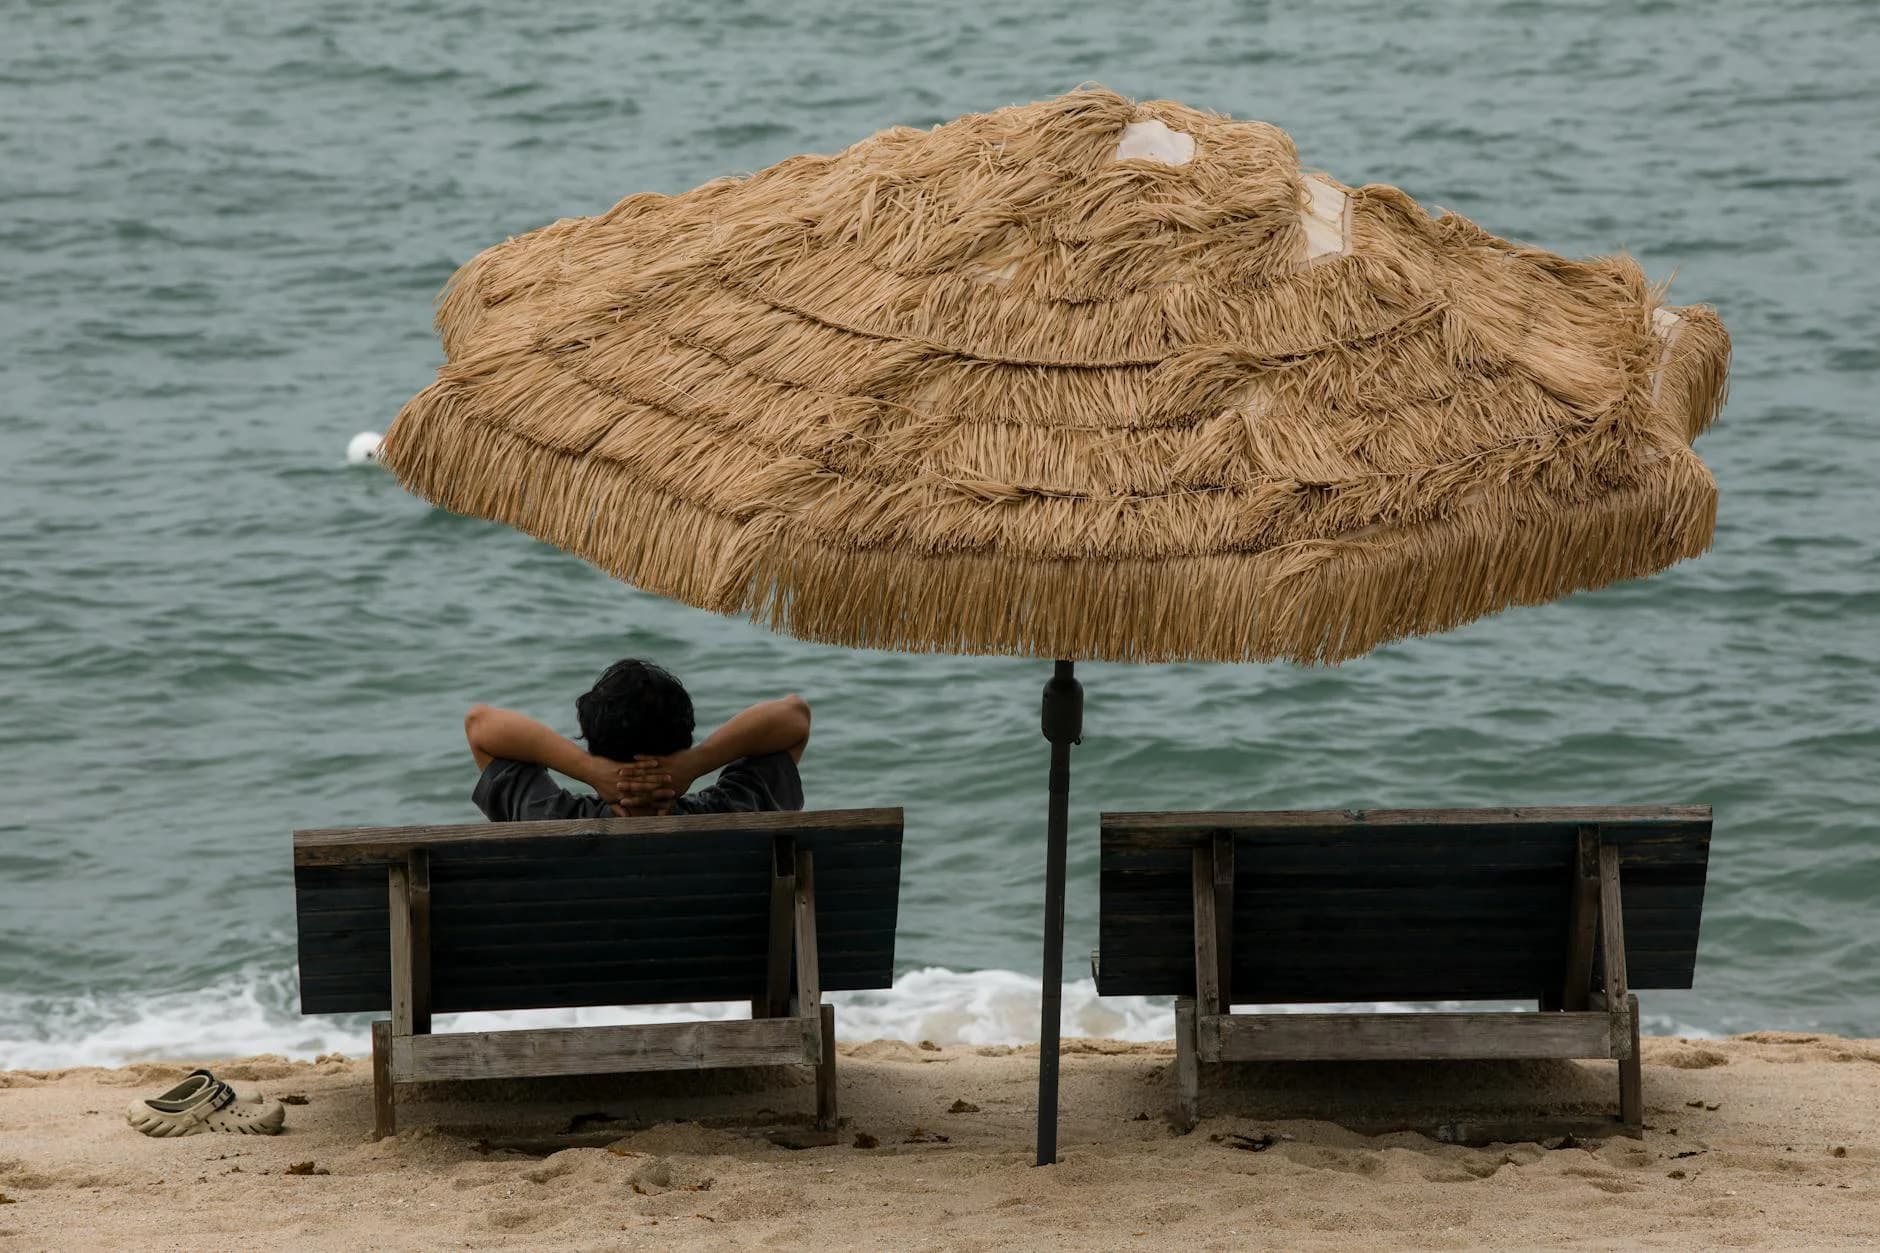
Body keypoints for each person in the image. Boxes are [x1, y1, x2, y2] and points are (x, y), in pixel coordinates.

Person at [463, 659, 809, 821]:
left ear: (596, 747)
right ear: (682, 743)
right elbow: (794, 717)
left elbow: (480, 725)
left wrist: (587, 769)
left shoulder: (548, 817)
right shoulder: (733, 812)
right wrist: (698, 762)